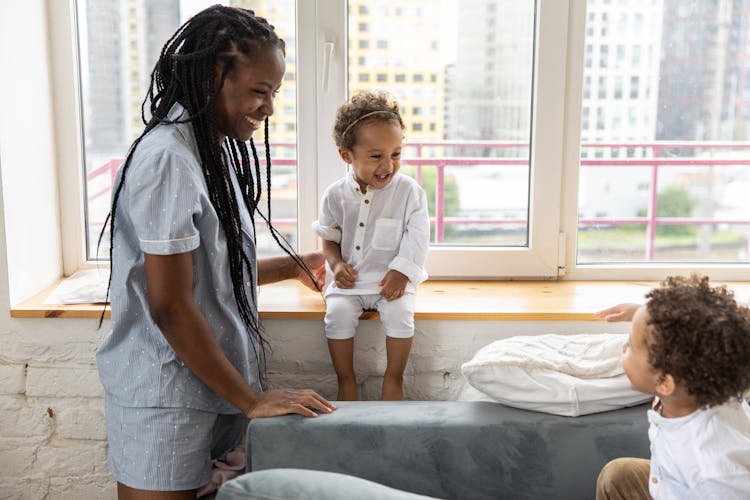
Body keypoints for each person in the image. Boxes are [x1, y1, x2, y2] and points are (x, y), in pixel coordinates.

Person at [95, 6, 335, 499]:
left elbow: (211, 274)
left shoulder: (210, 147)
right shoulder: (167, 158)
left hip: (212, 392)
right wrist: (251, 400)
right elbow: (170, 305)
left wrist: (297, 266)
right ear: (211, 77)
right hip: (167, 399)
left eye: (275, 92)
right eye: (259, 91)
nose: (269, 107)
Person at [312, 91, 430, 401]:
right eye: (376, 156)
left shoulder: (409, 192)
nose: (388, 165)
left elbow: (417, 237)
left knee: (401, 314)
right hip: (348, 281)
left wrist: (402, 271)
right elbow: (328, 236)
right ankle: (345, 380)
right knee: (336, 315)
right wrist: (336, 266)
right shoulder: (334, 195)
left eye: (396, 154)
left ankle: (394, 379)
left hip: (391, 281)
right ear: (346, 155)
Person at [594, 275, 750, 500]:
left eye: (631, 346)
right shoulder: (705, 382)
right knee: (618, 475)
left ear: (665, 382)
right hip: (674, 484)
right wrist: (642, 314)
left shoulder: (712, 471)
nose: (623, 346)